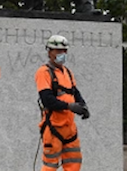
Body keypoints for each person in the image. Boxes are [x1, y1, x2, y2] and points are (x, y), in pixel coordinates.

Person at [35, 35, 90, 170]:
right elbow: (47, 100)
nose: (62, 54)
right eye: (58, 51)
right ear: (49, 52)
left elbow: (75, 92)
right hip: (53, 127)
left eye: (64, 51)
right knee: (50, 166)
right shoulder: (44, 72)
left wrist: (83, 106)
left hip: (70, 129)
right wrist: (69, 106)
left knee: (74, 163)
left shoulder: (67, 72)